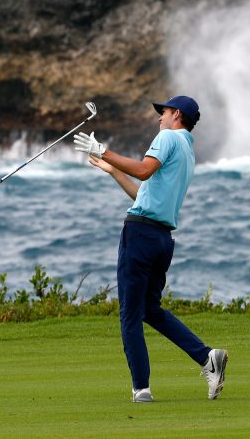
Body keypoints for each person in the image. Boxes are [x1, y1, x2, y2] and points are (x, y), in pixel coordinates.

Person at [73, 95, 228, 403]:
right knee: (149, 311)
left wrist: (103, 149)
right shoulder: (187, 150)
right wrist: (112, 169)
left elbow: (143, 171)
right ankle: (207, 357)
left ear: (178, 115)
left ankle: (140, 388)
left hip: (141, 235)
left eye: (165, 112)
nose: (160, 118)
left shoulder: (167, 137)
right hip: (161, 240)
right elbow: (142, 193)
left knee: (130, 313)